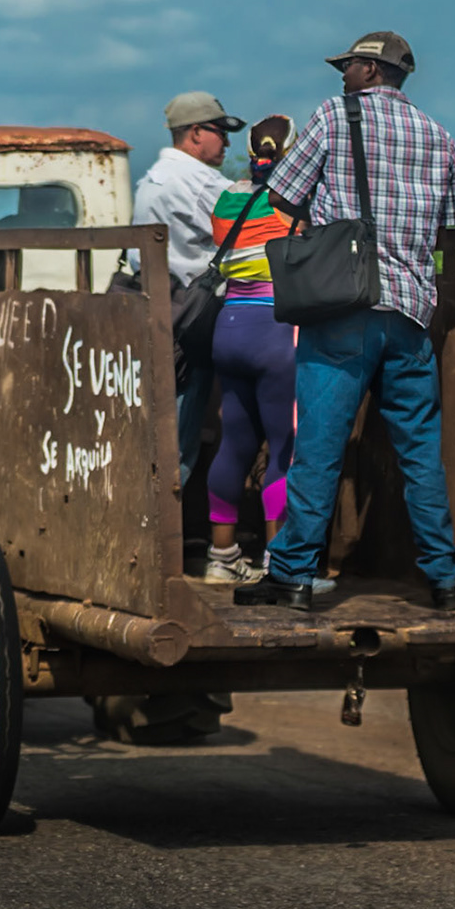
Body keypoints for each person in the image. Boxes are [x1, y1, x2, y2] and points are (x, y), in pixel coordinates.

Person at [236, 31, 455, 612]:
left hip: (343, 310)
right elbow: (447, 232)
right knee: (419, 452)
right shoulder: (441, 138)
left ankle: (291, 575)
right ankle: (445, 578)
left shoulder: (334, 117)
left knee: (319, 446)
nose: (341, 75)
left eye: (348, 66)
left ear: (369, 70)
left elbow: (283, 199)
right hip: (411, 315)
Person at [130, 91, 245, 482]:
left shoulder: (155, 177)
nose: (226, 143)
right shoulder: (198, 181)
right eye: (220, 132)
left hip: (156, 305)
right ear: (196, 133)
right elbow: (252, 227)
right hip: (189, 316)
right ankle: (169, 535)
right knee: (179, 438)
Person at [201, 115, 297, 583]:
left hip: (229, 327)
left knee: (234, 443)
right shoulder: (292, 205)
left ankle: (221, 559)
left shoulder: (228, 198)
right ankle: (279, 562)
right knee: (284, 447)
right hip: (276, 330)